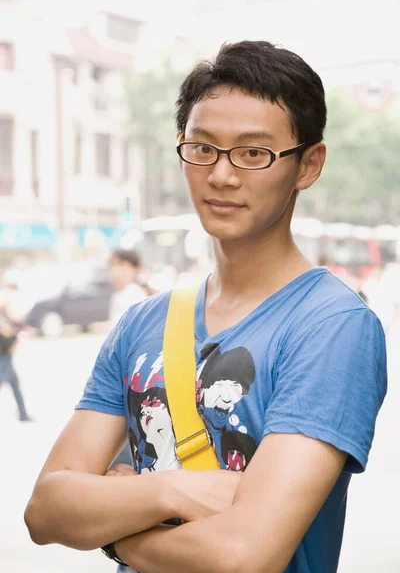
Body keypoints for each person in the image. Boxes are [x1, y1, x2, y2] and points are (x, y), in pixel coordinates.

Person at [25, 41, 387, 573]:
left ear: (308, 165)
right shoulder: (141, 323)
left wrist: (115, 533)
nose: (222, 174)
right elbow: (45, 511)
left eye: (253, 153)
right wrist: (172, 491)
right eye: (202, 147)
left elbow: (243, 557)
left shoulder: (332, 326)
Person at [0, 274, 32, 422]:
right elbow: (7, 332)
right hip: (3, 355)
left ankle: (23, 414)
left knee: (15, 385)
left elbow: (16, 325)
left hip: (7, 353)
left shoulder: (7, 313)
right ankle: (23, 414)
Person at [108, 249, 148, 328]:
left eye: (119, 264)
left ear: (133, 269)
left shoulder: (134, 295)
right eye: (111, 265)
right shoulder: (120, 294)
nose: (113, 270)